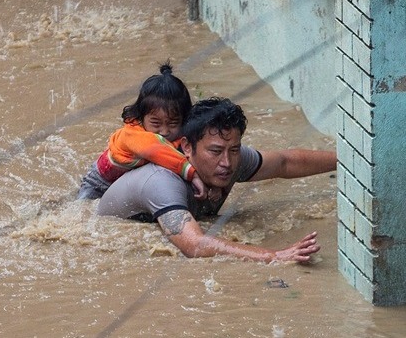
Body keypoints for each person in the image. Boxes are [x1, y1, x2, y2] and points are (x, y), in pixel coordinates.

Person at [97, 97, 337, 263]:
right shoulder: (162, 182)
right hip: (104, 231)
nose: (227, 163)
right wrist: (274, 256)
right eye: (215, 151)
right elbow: (195, 246)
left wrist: (348, 160)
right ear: (187, 147)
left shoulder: (231, 158)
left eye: (234, 149)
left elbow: (284, 162)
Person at [77, 62, 219, 201]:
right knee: (82, 210)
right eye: (156, 123)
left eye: (173, 123)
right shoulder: (131, 134)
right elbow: (155, 149)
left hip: (130, 186)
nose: (164, 131)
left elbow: (199, 156)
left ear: (184, 120)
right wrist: (193, 175)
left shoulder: (182, 137)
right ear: (141, 117)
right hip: (98, 186)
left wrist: (213, 184)